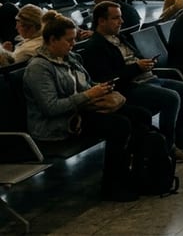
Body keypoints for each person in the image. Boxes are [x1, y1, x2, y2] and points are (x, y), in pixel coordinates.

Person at [22, 11, 147, 202]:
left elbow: (85, 84)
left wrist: (101, 89)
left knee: (140, 114)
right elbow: (51, 108)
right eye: (69, 40)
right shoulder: (39, 68)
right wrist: (88, 95)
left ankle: (135, 172)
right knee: (119, 125)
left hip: (81, 111)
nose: (73, 45)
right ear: (52, 40)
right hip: (59, 124)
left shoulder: (70, 58)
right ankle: (112, 185)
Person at [78, 0, 183, 161]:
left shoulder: (119, 37)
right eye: (116, 18)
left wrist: (145, 64)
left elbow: (134, 59)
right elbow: (109, 78)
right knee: (171, 97)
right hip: (129, 87)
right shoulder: (95, 47)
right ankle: (168, 145)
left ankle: (182, 136)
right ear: (101, 21)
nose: (121, 21)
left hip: (148, 78)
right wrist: (137, 68)